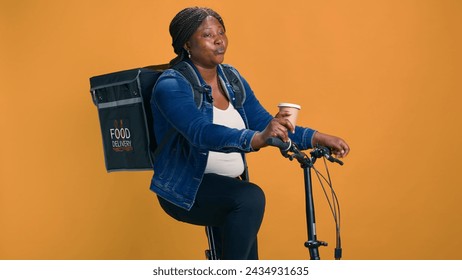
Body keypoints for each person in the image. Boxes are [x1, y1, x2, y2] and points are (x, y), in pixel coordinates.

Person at [149, 6, 350, 260]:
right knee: (250, 198)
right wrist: (254, 138)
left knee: (246, 252)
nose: (219, 40)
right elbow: (200, 132)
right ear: (187, 43)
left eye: (221, 32)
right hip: (187, 189)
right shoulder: (171, 84)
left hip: (230, 189)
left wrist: (317, 137)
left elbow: (263, 122)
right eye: (208, 35)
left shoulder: (231, 78)